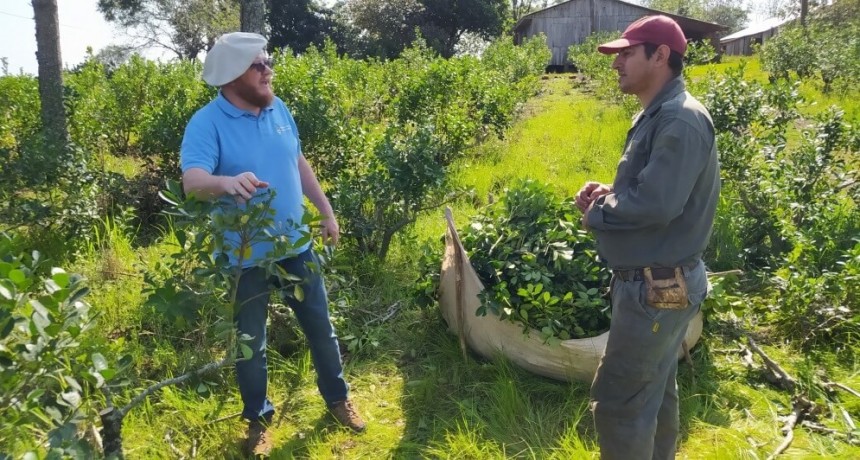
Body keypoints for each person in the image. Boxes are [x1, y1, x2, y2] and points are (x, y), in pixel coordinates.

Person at [180, 32, 365, 457]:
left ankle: (338, 399)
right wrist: (226, 182)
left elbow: (297, 161)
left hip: (296, 246)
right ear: (232, 76)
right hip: (244, 256)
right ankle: (258, 421)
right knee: (251, 344)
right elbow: (192, 183)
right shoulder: (206, 123)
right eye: (257, 65)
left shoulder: (278, 108)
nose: (268, 70)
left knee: (320, 327)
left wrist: (325, 210)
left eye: (268, 61)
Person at [575, 15, 720, 460]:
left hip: (655, 289)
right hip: (658, 284)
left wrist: (599, 211)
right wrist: (613, 192)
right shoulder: (660, 114)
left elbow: (658, 206)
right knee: (654, 393)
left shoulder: (679, 119)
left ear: (660, 56)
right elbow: (657, 190)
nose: (616, 63)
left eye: (627, 53)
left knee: (621, 402)